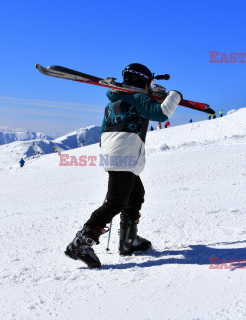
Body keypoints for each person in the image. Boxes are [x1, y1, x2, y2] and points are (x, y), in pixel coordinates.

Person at [65, 63, 182, 268]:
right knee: (116, 202)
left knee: (136, 194)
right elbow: (161, 114)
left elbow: (104, 131)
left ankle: (129, 241)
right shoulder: (138, 97)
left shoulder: (114, 101)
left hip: (113, 151)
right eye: (150, 82)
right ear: (143, 81)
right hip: (125, 152)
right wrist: (174, 95)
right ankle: (81, 242)